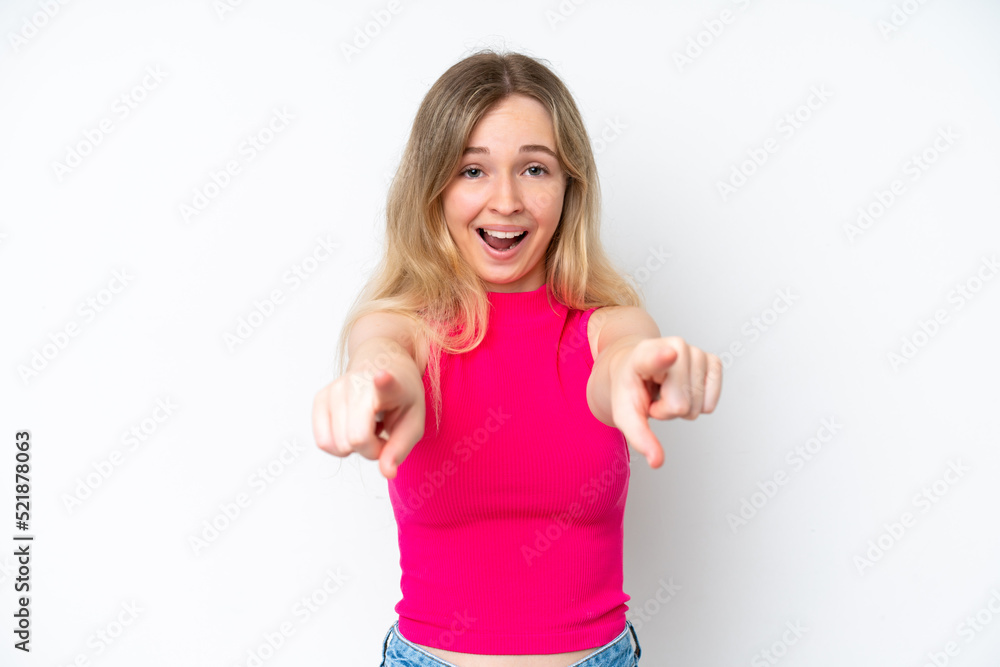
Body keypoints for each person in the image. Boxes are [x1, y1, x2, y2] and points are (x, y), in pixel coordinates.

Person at [312, 49, 722, 667]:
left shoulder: (608, 328)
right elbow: (381, 356)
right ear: (433, 188)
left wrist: (643, 369)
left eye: (534, 169)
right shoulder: (404, 330)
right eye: (472, 170)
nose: (505, 201)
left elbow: (623, 361)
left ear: (569, 187)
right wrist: (373, 383)